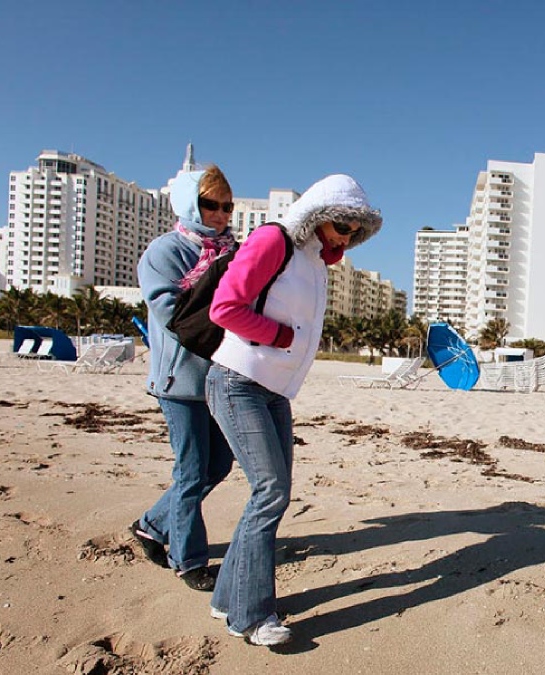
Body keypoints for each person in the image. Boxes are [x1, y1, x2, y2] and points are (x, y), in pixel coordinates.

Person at [206, 174, 381, 646]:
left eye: (354, 231)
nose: (346, 236)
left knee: (271, 494)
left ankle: (227, 598)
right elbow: (225, 308)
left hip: (273, 391)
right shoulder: (273, 240)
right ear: (319, 212)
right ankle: (252, 617)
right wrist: (280, 337)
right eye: (342, 224)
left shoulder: (315, 262)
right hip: (238, 381)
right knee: (271, 493)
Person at [131, 166, 238, 591]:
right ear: (191, 204)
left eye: (227, 206)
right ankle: (188, 560)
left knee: (220, 462)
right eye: (211, 205)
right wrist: (222, 289)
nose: (220, 214)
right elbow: (173, 315)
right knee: (191, 471)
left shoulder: (232, 249)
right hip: (179, 381)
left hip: (220, 380)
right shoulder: (165, 251)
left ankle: (152, 524)